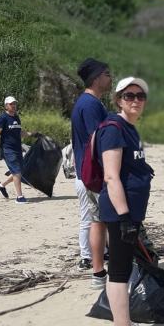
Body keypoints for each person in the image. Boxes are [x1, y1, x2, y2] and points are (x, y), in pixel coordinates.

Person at [98, 76, 159, 326]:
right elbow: (111, 177)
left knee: (119, 271)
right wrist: (124, 218)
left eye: (140, 96)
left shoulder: (130, 128)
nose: (135, 100)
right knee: (120, 273)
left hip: (129, 213)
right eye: (128, 95)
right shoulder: (114, 129)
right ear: (118, 99)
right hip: (119, 213)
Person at [71, 58, 112, 287]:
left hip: (88, 174)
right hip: (94, 175)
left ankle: (97, 267)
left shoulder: (89, 103)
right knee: (100, 221)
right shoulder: (90, 105)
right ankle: (98, 265)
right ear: (96, 78)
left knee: (97, 221)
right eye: (107, 74)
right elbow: (98, 141)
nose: (110, 78)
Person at [0, 96, 36, 204]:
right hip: (7, 149)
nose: (14, 105)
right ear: (6, 106)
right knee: (17, 172)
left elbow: (19, 132)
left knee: (19, 172)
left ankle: (1, 185)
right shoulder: (2, 118)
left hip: (18, 148)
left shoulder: (16, 117)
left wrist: (31, 134)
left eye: (14, 103)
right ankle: (19, 197)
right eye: (11, 104)